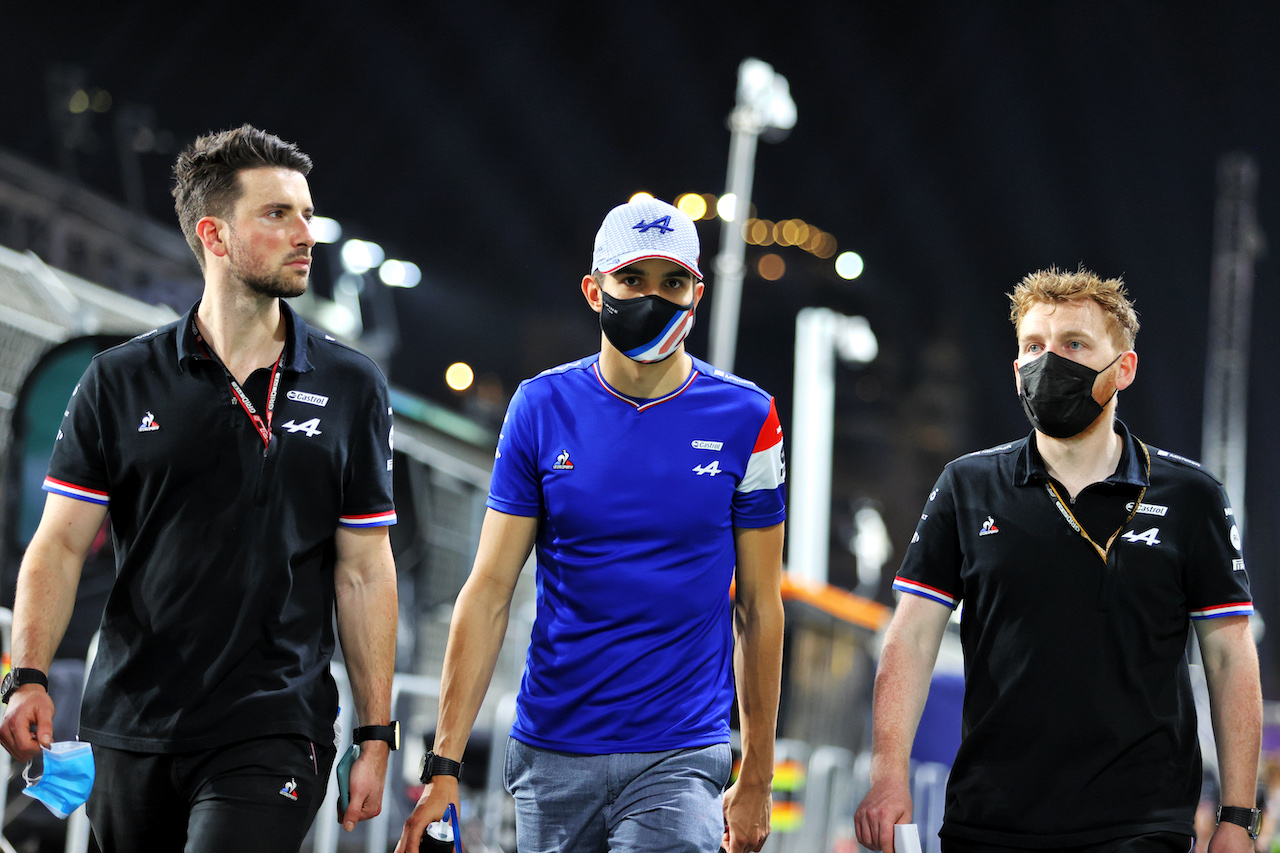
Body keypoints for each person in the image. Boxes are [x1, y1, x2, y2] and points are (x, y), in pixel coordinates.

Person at [0, 124, 400, 852]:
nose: (306, 232)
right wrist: (25, 674)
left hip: (275, 725)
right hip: (130, 726)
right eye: (278, 214)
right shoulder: (119, 380)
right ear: (214, 235)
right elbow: (57, 545)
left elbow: (365, 566)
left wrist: (376, 733)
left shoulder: (351, 385)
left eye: (307, 213)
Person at [395, 197, 787, 853]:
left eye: (673, 282)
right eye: (633, 280)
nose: (653, 298)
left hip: (681, 753)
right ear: (594, 288)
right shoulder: (540, 407)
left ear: (699, 291)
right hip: (552, 749)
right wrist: (443, 766)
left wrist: (758, 774)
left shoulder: (750, 417)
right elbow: (489, 590)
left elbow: (760, 604)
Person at [854, 266, 1262, 853]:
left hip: (1142, 822)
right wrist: (887, 776)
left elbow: (1228, 653)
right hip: (989, 819)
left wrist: (1238, 816)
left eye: (1074, 345)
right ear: (1017, 367)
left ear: (1123, 368)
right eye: (1034, 346)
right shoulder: (966, 486)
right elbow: (912, 638)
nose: (1051, 361)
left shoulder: (1190, 495)